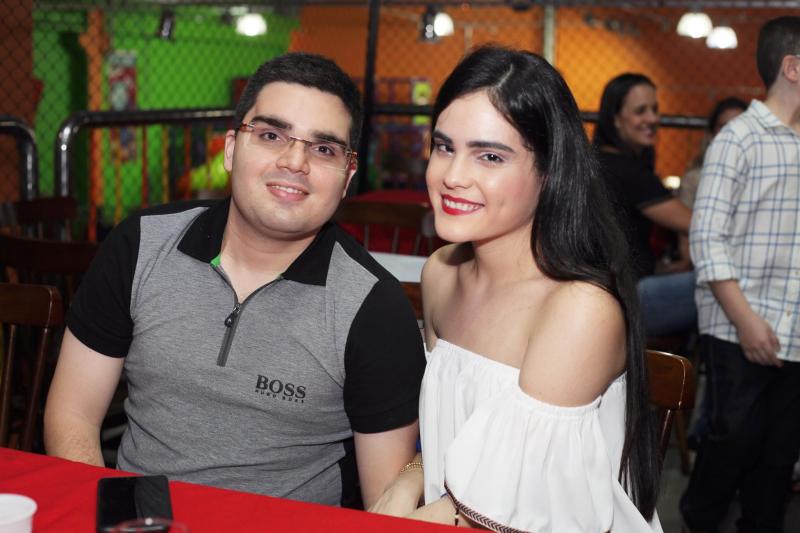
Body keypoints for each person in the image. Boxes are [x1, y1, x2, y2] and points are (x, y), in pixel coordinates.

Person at [43, 52, 426, 509]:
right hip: (141, 517)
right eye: (271, 135)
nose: (295, 161)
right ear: (230, 149)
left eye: (323, 149)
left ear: (347, 177)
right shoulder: (141, 245)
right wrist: (114, 516)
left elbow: (387, 502)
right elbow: (73, 414)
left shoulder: (374, 308)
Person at [370, 45, 662, 532]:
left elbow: (502, 506)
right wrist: (411, 475)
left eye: (489, 156)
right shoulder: (441, 273)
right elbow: (459, 440)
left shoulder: (579, 310)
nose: (452, 177)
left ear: (550, 173)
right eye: (444, 147)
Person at [680, 16, 800, 533]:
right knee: (734, 438)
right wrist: (745, 320)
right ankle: (698, 520)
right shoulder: (740, 138)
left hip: (795, 331)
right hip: (738, 325)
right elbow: (707, 238)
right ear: (793, 67)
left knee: (779, 454)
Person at [593, 73, 695, 338]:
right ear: (616, 119)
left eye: (655, 109)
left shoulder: (598, 161)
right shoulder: (627, 171)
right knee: (718, 287)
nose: (652, 119)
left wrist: (663, 269)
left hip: (605, 294)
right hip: (625, 303)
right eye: (640, 111)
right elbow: (696, 224)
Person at [677, 96, 747, 451]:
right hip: (702, 277)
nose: (731, 134)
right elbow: (689, 251)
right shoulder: (696, 178)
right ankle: (706, 423)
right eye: (723, 127)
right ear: (711, 134)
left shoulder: (760, 182)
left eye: (738, 127)